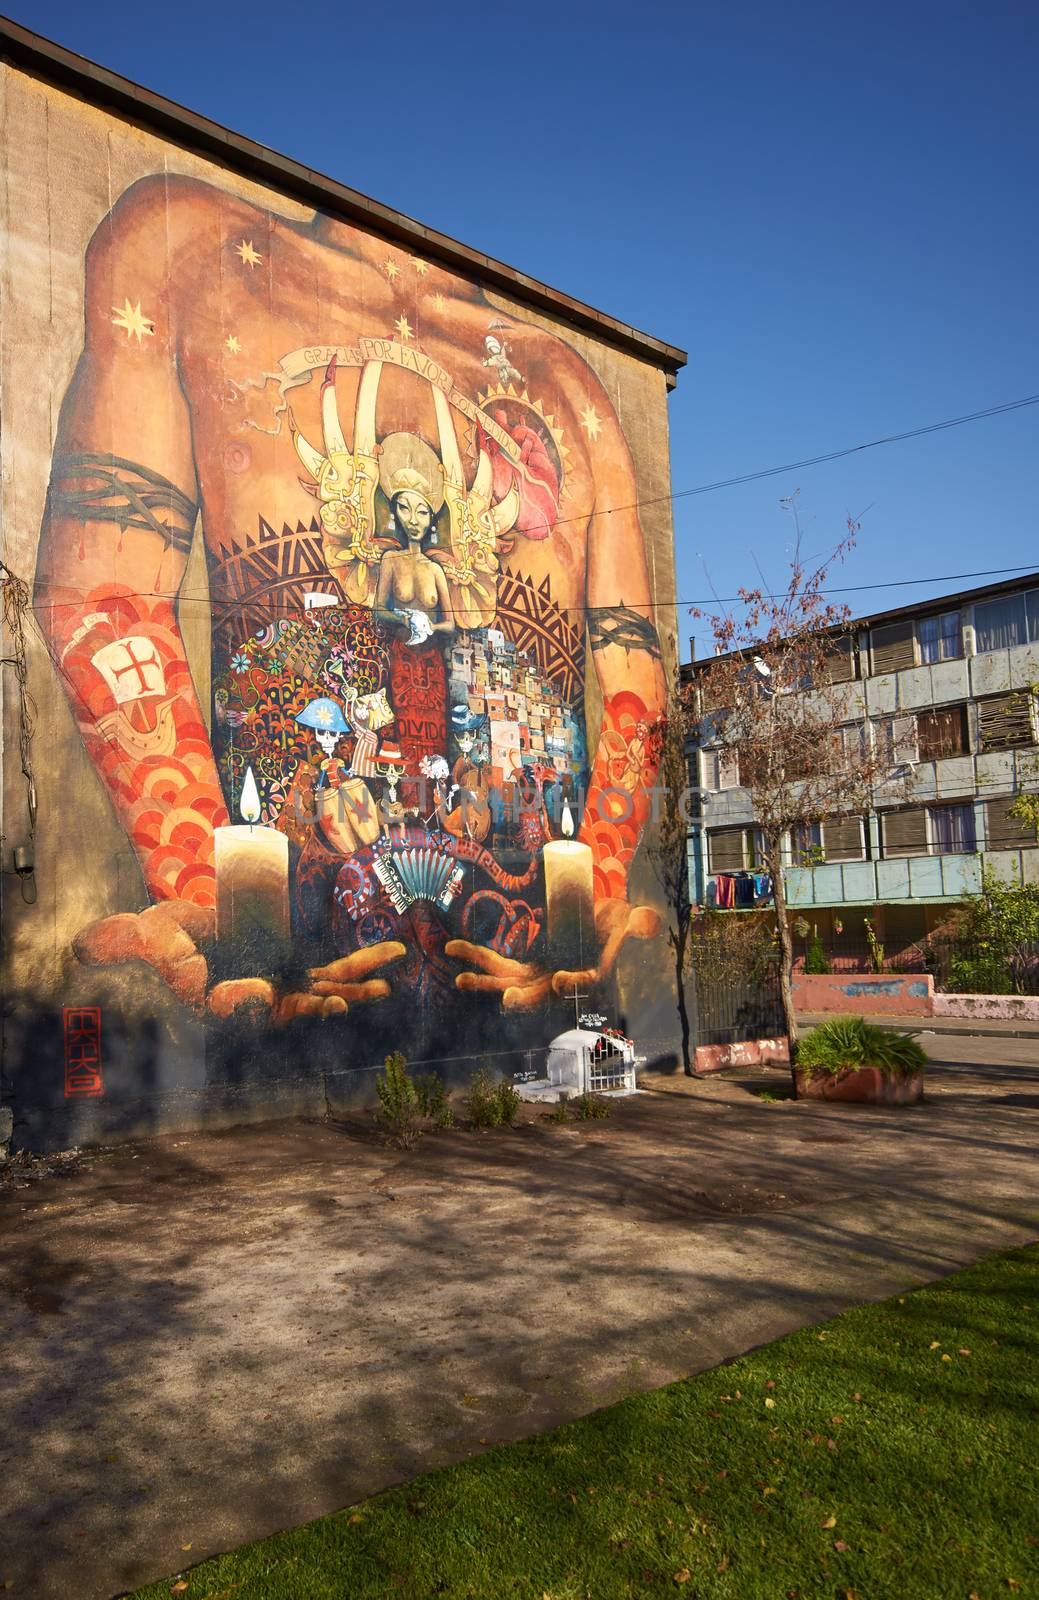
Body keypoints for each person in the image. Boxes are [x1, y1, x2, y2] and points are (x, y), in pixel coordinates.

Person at [35, 172, 667, 1024]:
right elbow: (106, 586)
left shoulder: (569, 385)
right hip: (281, 942)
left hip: (517, 948)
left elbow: (632, 681)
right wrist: (200, 885)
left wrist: (588, 892)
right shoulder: (187, 246)